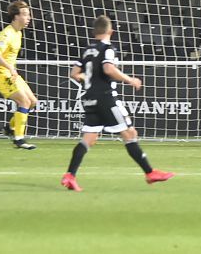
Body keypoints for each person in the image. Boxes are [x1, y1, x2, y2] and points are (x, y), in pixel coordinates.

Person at [61, 16, 174, 191]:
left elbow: (74, 73)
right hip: (106, 98)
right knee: (129, 133)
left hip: (89, 98)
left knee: (88, 139)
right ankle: (150, 173)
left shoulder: (87, 50)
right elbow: (108, 69)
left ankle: (70, 175)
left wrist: (89, 79)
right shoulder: (108, 48)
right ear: (110, 32)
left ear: (94, 32)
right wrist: (130, 80)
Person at [0, 0, 39, 150]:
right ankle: (19, 139)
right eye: (25, 14)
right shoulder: (7, 34)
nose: (28, 17)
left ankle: (10, 128)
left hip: (11, 73)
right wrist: (10, 68)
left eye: (29, 14)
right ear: (15, 16)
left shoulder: (18, 33)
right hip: (1, 73)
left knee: (32, 101)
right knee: (24, 102)